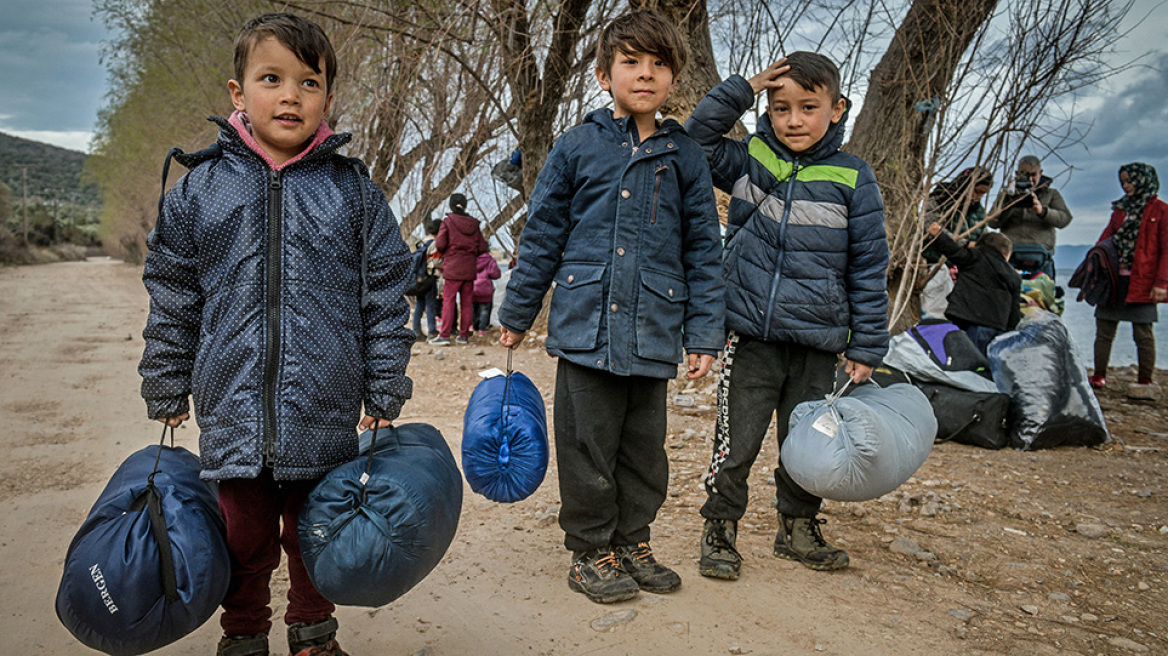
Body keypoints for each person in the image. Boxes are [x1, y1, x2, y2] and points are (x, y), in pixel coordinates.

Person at [137, 13, 413, 656]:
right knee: (244, 537)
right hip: (232, 406)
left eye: (308, 82)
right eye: (272, 78)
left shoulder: (354, 194)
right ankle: (243, 635)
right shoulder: (199, 190)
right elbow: (174, 295)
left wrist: (385, 386)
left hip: (325, 403)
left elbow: (383, 297)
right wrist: (166, 381)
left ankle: (313, 631)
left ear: (327, 99)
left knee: (317, 532)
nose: (291, 95)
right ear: (239, 93)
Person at [498, 10, 724, 604]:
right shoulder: (577, 146)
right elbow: (543, 233)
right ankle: (591, 549)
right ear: (603, 74)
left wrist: (704, 334)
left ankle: (633, 540)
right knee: (587, 444)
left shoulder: (687, 156)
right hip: (585, 325)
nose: (645, 74)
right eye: (631, 62)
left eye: (659, 64)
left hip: (653, 326)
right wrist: (517, 315)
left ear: (674, 78)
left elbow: (704, 248)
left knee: (644, 448)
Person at [685, 51, 889, 579]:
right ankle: (720, 528)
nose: (793, 119)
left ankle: (797, 527)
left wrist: (867, 344)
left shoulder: (854, 178)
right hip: (749, 336)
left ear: (838, 108)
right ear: (766, 110)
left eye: (807, 107)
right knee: (737, 443)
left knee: (807, 445)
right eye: (780, 108)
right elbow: (696, 139)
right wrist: (744, 88)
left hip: (818, 344)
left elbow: (868, 266)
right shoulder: (752, 159)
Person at [1088, 163, 1168, 395]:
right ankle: (1099, 376)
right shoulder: (1120, 210)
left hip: (1143, 282)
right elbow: (1105, 241)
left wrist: (1162, 284)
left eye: (1130, 181)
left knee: (1143, 333)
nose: (1126, 185)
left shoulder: (1161, 211)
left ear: (1143, 180)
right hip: (1114, 280)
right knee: (1104, 330)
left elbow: (1166, 251)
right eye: (1123, 181)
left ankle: (1145, 381)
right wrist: (1093, 268)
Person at [926, 223, 1021, 356]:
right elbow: (1014, 311)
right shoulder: (1014, 276)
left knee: (970, 364)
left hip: (971, 322)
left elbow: (953, 251)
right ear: (1006, 253)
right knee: (987, 366)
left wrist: (939, 235)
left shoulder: (976, 258)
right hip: (998, 327)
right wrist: (1010, 334)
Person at [988, 155, 1072, 279]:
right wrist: (1009, 203)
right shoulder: (1007, 194)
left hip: (1041, 255)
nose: (1030, 179)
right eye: (1025, 174)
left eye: (1034, 175)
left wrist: (1042, 211)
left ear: (1041, 173)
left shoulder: (1051, 194)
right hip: (1011, 254)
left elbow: (1065, 219)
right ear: (1017, 174)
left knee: (1043, 294)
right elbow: (992, 222)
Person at [432, 193, 487, 345]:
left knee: (448, 301)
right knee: (467, 303)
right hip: (469, 268)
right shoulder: (474, 224)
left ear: (451, 205)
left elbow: (440, 244)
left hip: (452, 268)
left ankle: (444, 336)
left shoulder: (448, 222)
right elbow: (482, 247)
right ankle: (464, 336)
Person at [922, 166, 994, 263]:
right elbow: (930, 227)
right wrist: (965, 244)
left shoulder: (979, 212)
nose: (979, 197)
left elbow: (983, 236)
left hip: (963, 263)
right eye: (977, 191)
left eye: (983, 193)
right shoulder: (940, 198)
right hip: (934, 259)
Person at [411, 219, 441, 340]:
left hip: (419, 279)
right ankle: (432, 331)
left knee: (419, 304)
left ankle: (416, 330)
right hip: (429, 278)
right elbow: (435, 262)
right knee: (430, 305)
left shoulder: (422, 242)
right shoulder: (434, 244)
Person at [472, 250, 501, 335]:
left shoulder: (470, 258)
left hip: (472, 287)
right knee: (485, 309)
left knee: (473, 308)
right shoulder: (490, 260)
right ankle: (482, 328)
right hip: (485, 288)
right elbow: (495, 274)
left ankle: (472, 326)